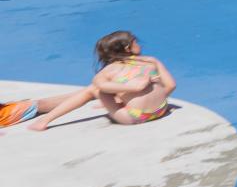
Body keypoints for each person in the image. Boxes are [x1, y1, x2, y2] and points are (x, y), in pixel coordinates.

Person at [1, 30, 176, 130]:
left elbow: (99, 86)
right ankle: (117, 98)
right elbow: (171, 85)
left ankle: (44, 121)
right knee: (113, 89)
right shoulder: (151, 61)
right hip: (162, 109)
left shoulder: (111, 69)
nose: (140, 44)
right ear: (128, 48)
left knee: (94, 90)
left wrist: (132, 87)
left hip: (135, 117)